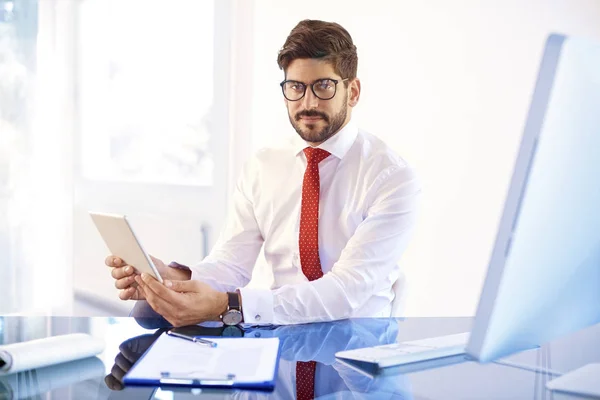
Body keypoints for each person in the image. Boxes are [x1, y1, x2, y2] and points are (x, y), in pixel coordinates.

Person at [106, 19, 420, 327]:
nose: (307, 102)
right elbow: (230, 264)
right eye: (296, 87)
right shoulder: (262, 167)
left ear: (352, 92)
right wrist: (167, 278)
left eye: (323, 86)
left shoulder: (391, 178)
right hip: (278, 339)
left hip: (357, 350)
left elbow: (347, 291)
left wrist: (231, 306)